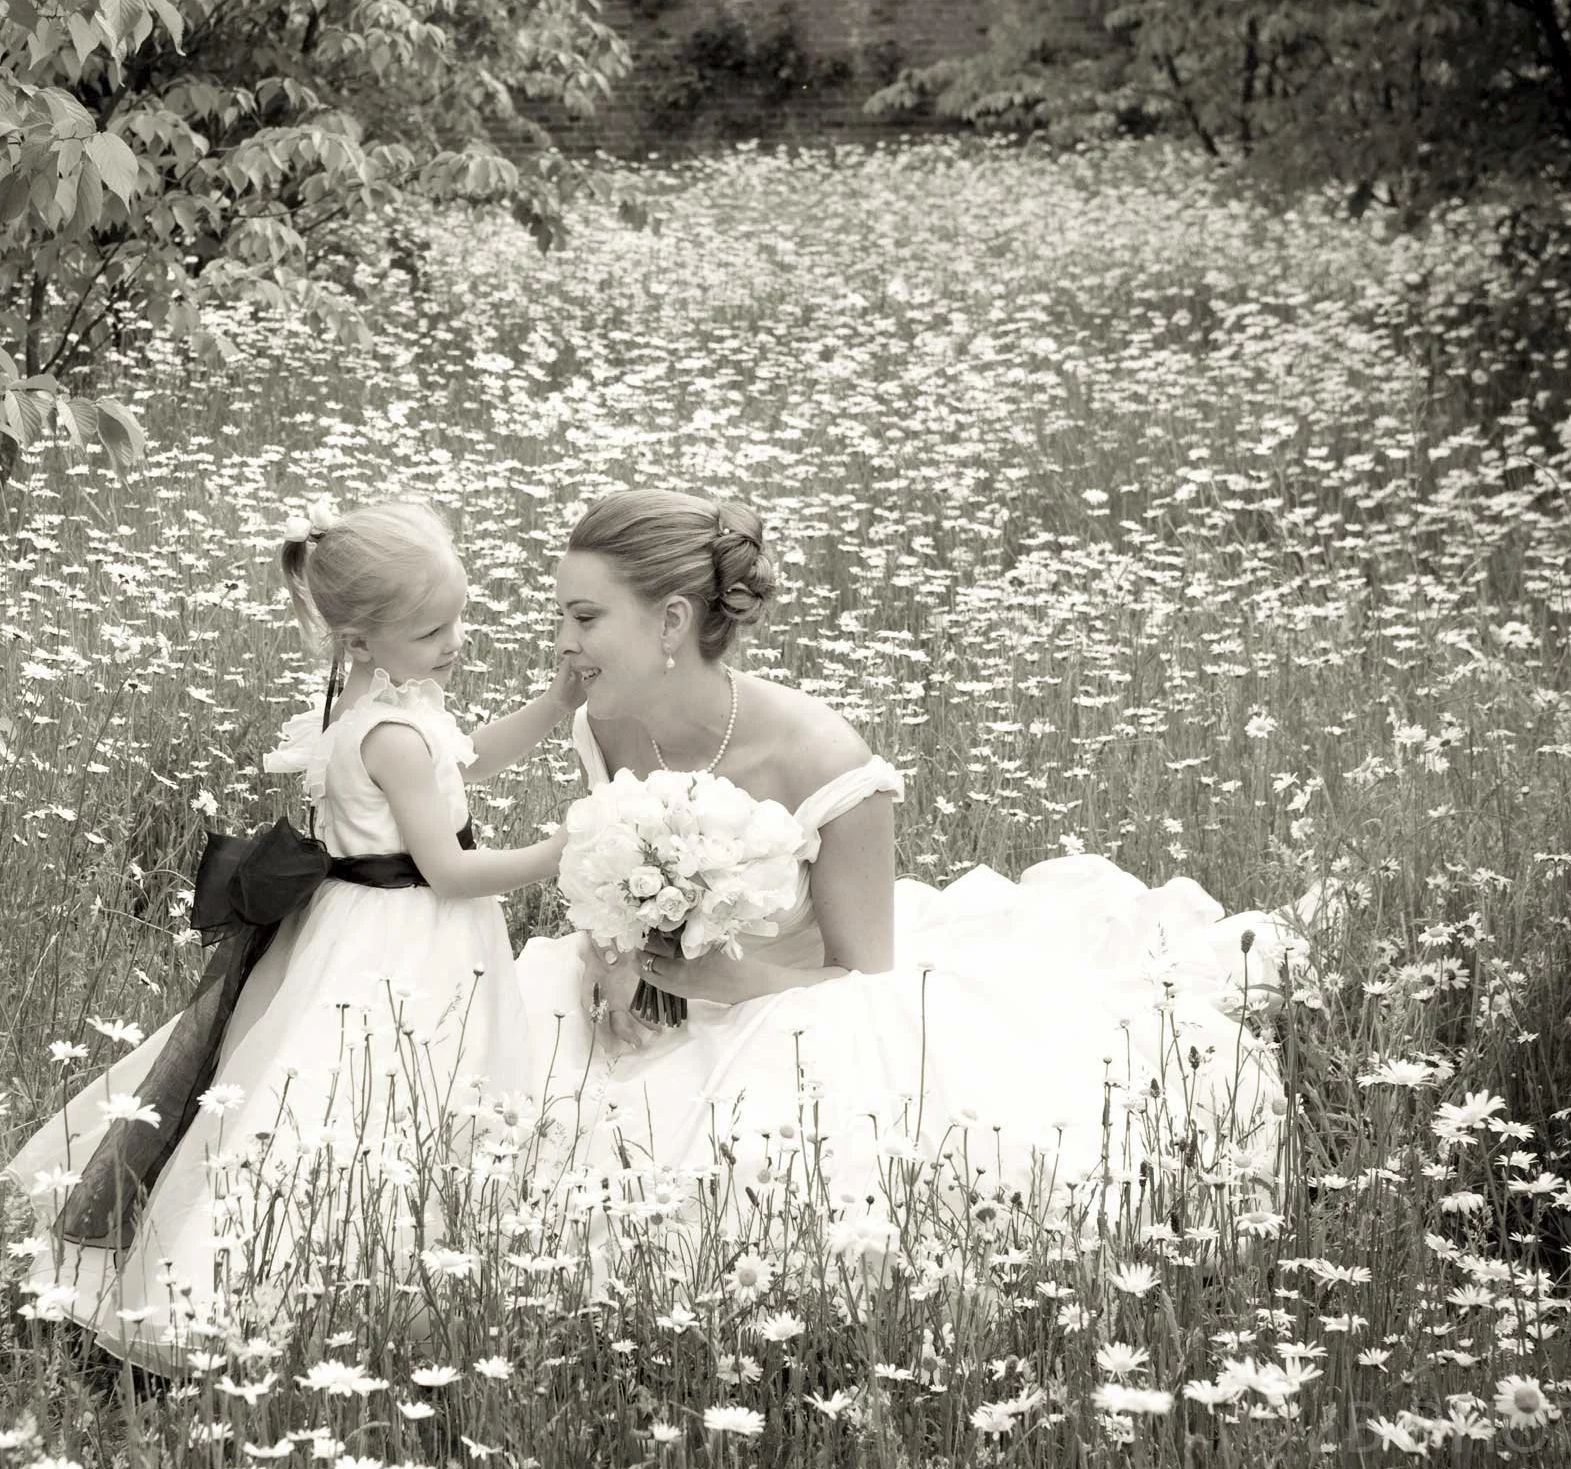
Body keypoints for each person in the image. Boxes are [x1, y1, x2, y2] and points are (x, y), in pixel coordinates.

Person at [516, 489, 1293, 1238]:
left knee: (742, 1192)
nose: (562, 641)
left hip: (799, 1010)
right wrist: (611, 949)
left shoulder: (820, 759)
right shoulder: (605, 724)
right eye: (560, 615)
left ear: (671, 621)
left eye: (584, 617)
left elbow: (864, 980)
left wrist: (733, 984)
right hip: (658, 998)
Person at [11, 498, 580, 1370]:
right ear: (359, 638)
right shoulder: (389, 732)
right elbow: (453, 869)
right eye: (432, 630)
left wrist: (555, 701)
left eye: (458, 616)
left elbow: (460, 764)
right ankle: (264, 1284)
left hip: (365, 924)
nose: (454, 640)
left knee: (347, 1091)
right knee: (353, 1096)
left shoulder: (378, 701)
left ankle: (371, 1269)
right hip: (405, 934)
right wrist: (561, 850)